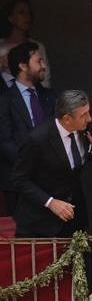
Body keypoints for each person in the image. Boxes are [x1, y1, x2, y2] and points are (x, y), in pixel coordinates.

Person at [11, 89, 92, 238]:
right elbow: (19, 180)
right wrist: (50, 202)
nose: (89, 119)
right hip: (40, 225)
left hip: (74, 223)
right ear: (67, 119)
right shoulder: (37, 139)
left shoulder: (83, 132)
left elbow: (77, 168)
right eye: (83, 115)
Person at [0, 41, 56, 212]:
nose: (44, 66)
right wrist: (31, 163)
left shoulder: (50, 97)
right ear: (23, 66)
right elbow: (4, 141)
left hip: (50, 183)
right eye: (39, 61)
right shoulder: (4, 99)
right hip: (17, 182)